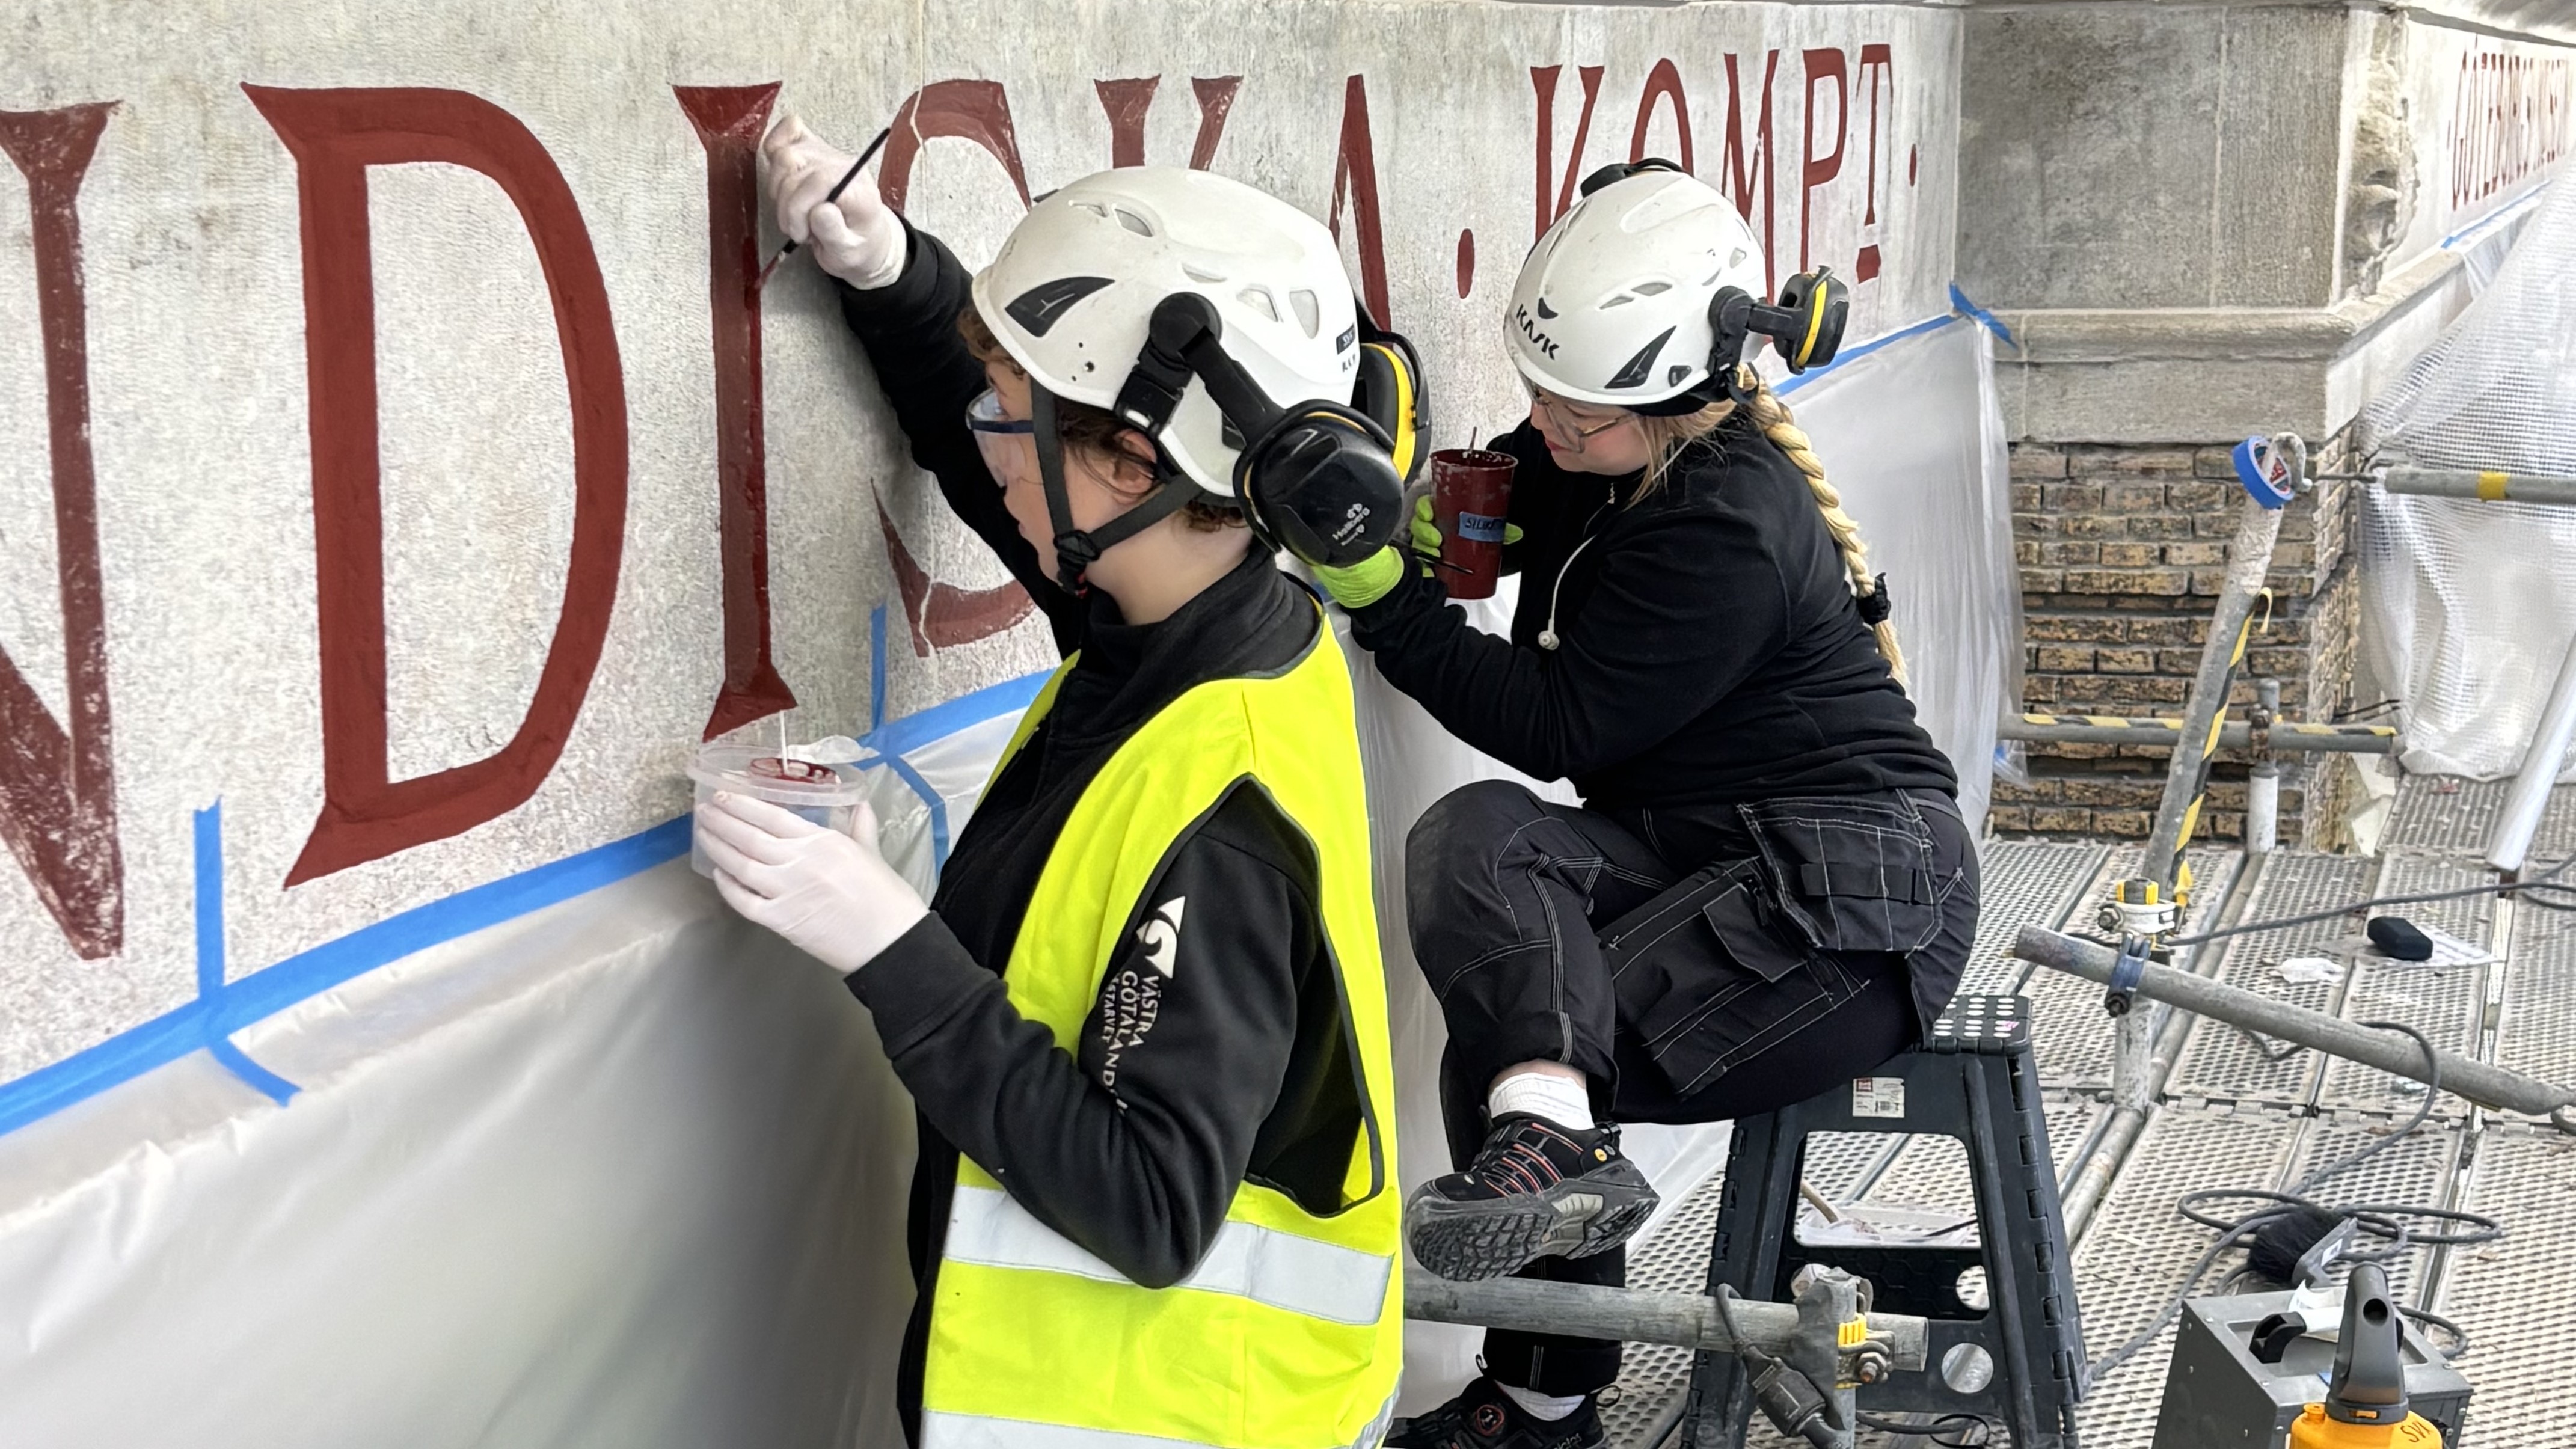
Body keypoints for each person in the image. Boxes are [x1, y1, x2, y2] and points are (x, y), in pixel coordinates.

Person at [695, 124, 1418, 1449]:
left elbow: (1153, 1203)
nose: (984, 449)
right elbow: (1003, 468)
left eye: (1009, 417)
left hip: (1172, 1418)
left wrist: (888, 942)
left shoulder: (1225, 805)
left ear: (1135, 469)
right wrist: (894, 271)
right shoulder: (1195, 613)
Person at [1313, 162, 1982, 1449]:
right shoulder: (1605, 451)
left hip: (1852, 906)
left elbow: (1559, 723)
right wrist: (1389, 462)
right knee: (1492, 895)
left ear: (1688, 392)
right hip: (1712, 844)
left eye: (1587, 409)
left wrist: (1379, 597)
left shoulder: (1725, 523)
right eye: (1541, 389)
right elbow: (1507, 497)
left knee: (1536, 1048)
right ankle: (1548, 1353)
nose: (1552, 423)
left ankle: (1545, 1401)